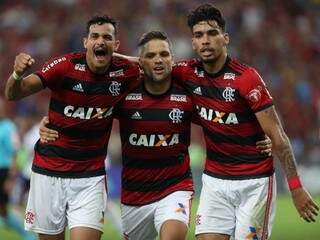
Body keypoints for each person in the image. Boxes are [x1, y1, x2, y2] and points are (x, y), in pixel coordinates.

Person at [39, 31, 273, 240]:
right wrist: (53, 123)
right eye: (151, 56)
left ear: (173, 60)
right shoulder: (124, 94)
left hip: (175, 188)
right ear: (142, 62)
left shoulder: (187, 97)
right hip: (135, 196)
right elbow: (91, 113)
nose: (158, 60)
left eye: (164, 54)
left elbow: (222, 118)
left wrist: (258, 136)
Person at [171, 3, 319, 240]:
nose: (205, 40)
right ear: (193, 43)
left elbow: (278, 137)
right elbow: (146, 65)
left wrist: (296, 187)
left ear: (225, 38)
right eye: (199, 35)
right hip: (215, 182)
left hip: (254, 183)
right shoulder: (186, 72)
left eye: (212, 33)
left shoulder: (246, 79)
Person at [4, 15, 140, 240]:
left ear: (116, 45)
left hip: (90, 177)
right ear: (85, 41)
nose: (100, 41)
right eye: (94, 36)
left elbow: (159, 65)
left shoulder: (126, 71)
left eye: (107, 37)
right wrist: (18, 74)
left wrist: (123, 57)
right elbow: (13, 93)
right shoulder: (65, 66)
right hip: (49, 172)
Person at [0, 98, 35, 240]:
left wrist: (10, 178)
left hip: (3, 171)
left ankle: (27, 235)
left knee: (3, 211)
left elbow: (15, 152)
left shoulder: (8, 127)